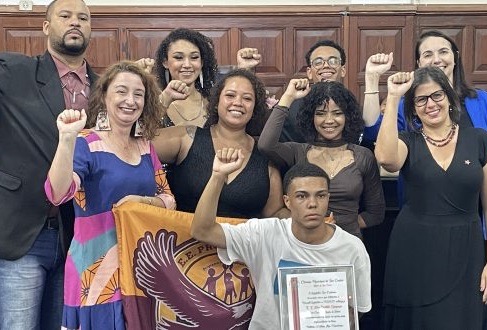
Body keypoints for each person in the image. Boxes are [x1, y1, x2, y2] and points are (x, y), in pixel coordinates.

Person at [44, 61, 176, 329]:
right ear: (104, 96)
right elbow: (57, 194)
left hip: (140, 268)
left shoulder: (145, 147)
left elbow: (169, 201)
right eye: (121, 91)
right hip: (96, 273)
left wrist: (141, 202)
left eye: (138, 94)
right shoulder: (85, 143)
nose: (130, 100)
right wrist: (67, 138)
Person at [375, 66, 487, 329]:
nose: (430, 104)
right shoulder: (408, 141)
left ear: (450, 97)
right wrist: (394, 96)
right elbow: (386, 158)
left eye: (436, 96)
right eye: (421, 99)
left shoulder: (480, 140)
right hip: (414, 250)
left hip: (467, 250)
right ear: (413, 107)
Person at [0, 0, 96, 328]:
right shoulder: (13, 71)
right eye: (65, 16)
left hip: (78, 237)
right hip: (22, 231)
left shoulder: (107, 88)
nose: (75, 22)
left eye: (83, 18)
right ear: (45, 26)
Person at [191, 158, 372, 329]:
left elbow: (358, 310)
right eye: (302, 196)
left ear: (328, 198)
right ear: (287, 201)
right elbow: (202, 230)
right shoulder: (263, 233)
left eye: (321, 196)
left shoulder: (352, 248)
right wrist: (217, 177)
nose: (312, 204)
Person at [153, 68, 287, 219]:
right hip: (183, 240)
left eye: (247, 99)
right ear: (216, 103)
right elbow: (137, 143)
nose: (238, 103)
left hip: (241, 242)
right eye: (230, 95)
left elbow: (274, 215)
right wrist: (165, 99)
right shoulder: (185, 137)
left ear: (255, 108)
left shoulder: (265, 155)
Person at [258, 79, 385, 238]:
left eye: (337, 113)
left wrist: (343, 227)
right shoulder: (297, 152)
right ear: (310, 117)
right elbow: (265, 145)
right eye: (320, 113)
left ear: (348, 116)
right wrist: (288, 96)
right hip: (303, 244)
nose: (329, 120)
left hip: (347, 246)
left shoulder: (363, 156)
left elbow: (376, 213)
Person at [364, 30, 487, 151]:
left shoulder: (482, 99)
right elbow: (372, 133)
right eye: (428, 55)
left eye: (443, 52)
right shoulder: (407, 104)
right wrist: (372, 77)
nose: (436, 60)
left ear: (455, 57)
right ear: (419, 63)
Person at [137, 28, 261, 128]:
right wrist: (138, 81)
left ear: (202, 63)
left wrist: (245, 68)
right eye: (179, 58)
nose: (187, 65)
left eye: (194, 57)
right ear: (165, 62)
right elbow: (140, 133)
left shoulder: (216, 98)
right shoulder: (153, 101)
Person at [279, 39, 347, 143]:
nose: (326, 66)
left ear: (343, 70)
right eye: (318, 62)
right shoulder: (294, 107)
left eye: (333, 61)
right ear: (309, 72)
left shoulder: (351, 104)